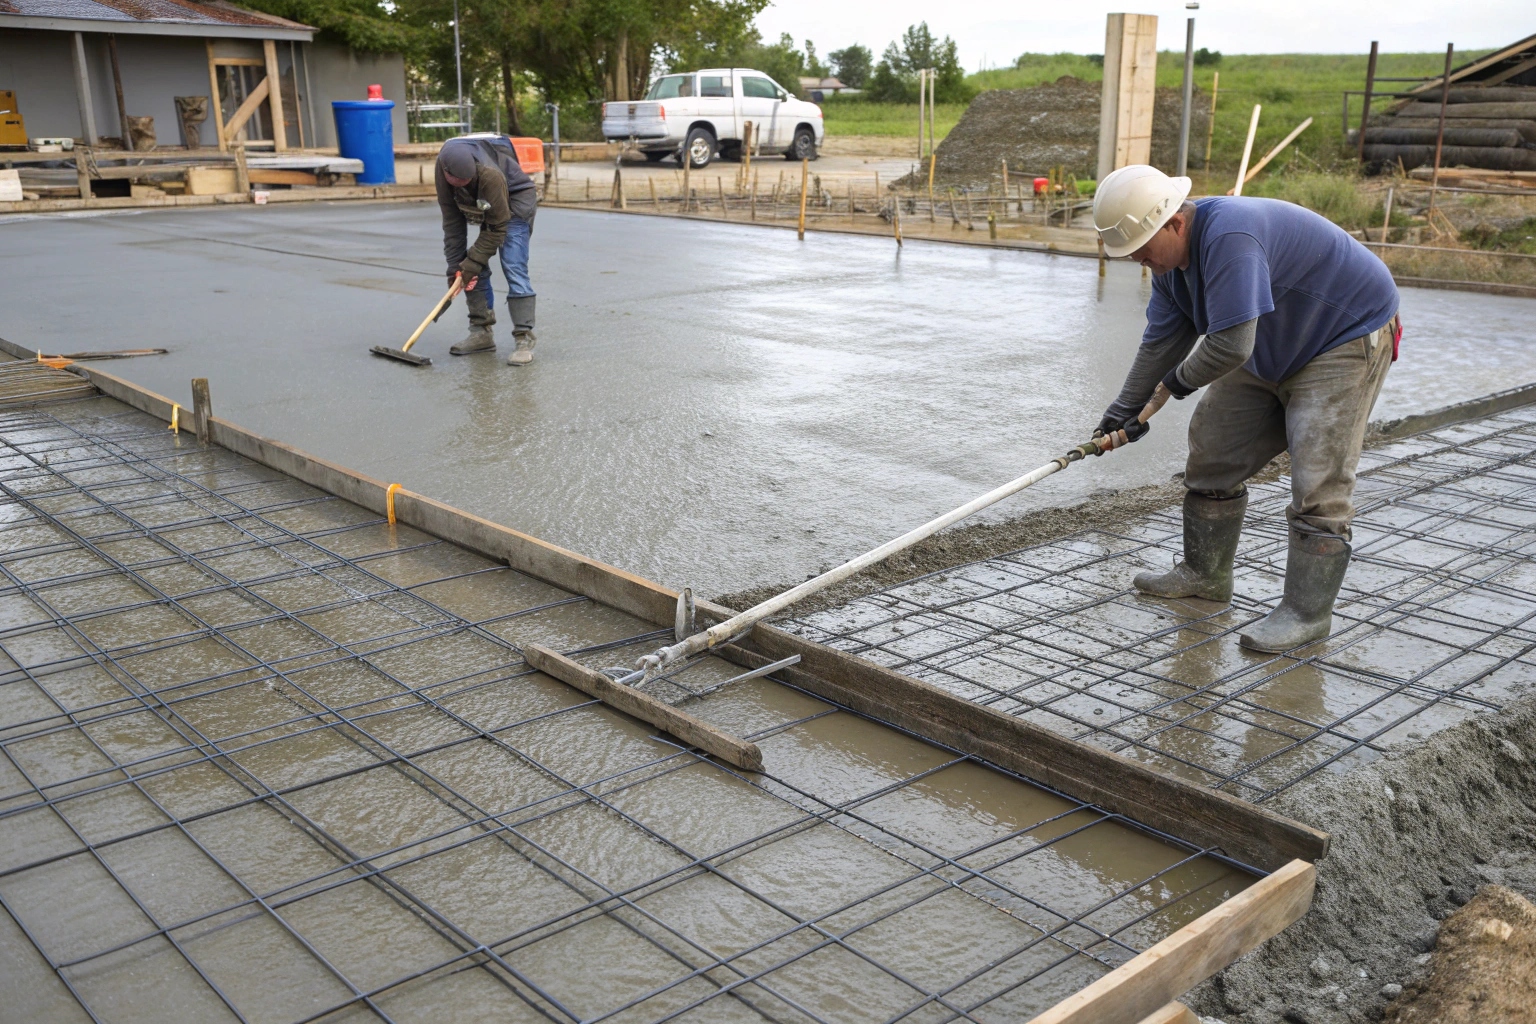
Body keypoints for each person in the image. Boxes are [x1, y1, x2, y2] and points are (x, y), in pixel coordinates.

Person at [1091, 165, 1401, 652]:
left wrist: (1170, 387)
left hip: (1341, 338)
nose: (1139, 259)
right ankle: (1205, 573)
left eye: (1144, 247)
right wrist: (1123, 409)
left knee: (1318, 479)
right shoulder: (1171, 268)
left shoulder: (1230, 235)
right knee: (1213, 449)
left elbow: (1231, 345)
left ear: (1174, 222)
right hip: (1271, 343)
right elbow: (1161, 341)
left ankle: (1306, 613)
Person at [436, 133, 539, 365]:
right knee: (468, 266)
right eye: (459, 183)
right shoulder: (442, 165)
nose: (463, 185)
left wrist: (473, 262)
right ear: (446, 172)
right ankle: (480, 333)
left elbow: (497, 227)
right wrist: (456, 269)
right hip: (485, 200)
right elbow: (452, 223)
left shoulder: (489, 174)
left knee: (513, 263)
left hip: (515, 199)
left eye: (468, 180)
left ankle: (523, 337)